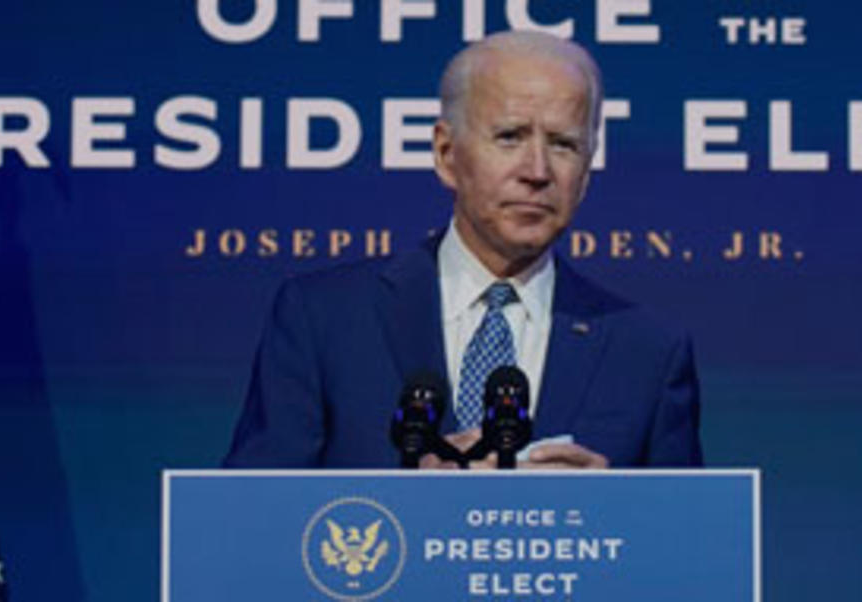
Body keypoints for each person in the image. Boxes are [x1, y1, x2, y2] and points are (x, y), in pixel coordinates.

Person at [223, 31, 702, 469]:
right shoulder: (324, 318)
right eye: (510, 136)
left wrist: (618, 510)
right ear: (447, 155)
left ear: (587, 172)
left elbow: (690, 547)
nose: (537, 170)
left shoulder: (647, 353)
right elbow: (247, 523)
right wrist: (407, 503)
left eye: (563, 145)